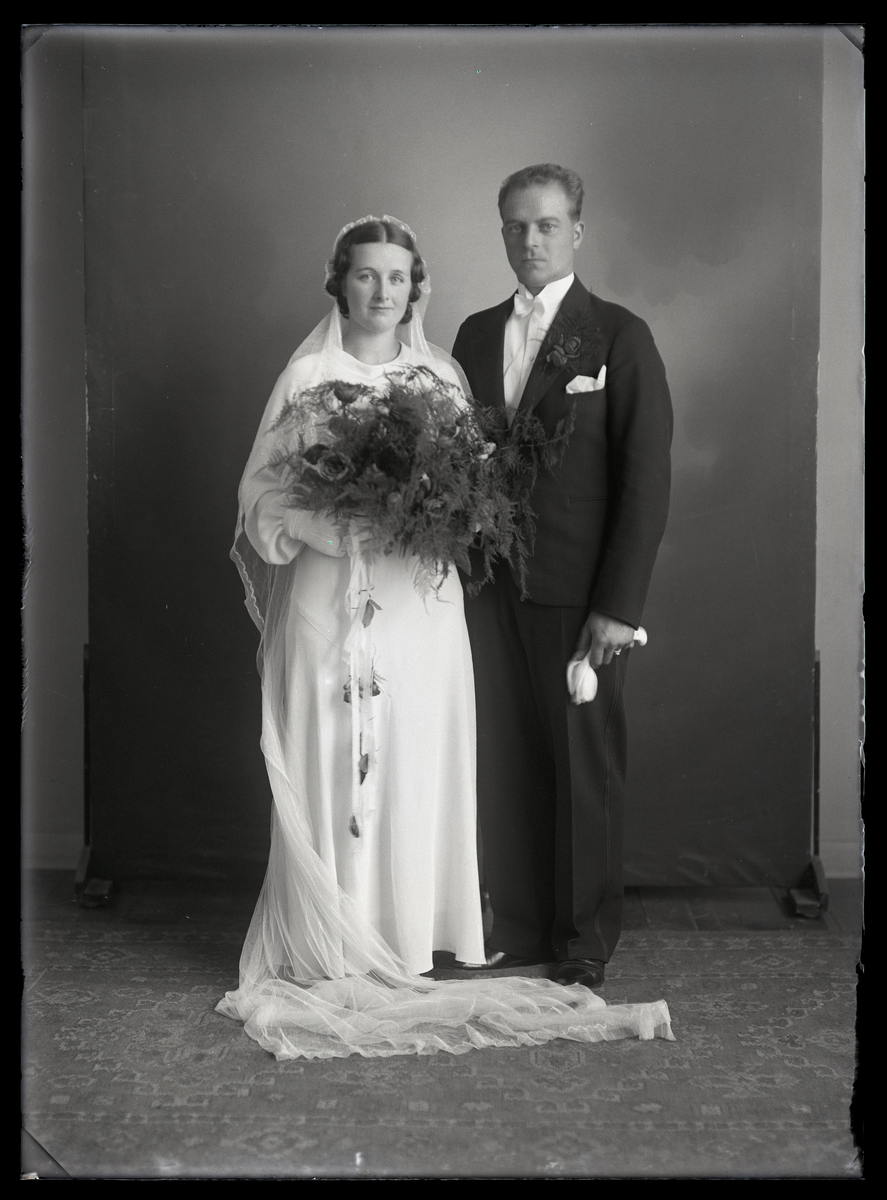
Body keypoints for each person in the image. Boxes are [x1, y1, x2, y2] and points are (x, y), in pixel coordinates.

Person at [216, 214, 673, 1060]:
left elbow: (477, 497)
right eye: (365, 275)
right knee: (332, 751)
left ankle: (410, 935)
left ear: (414, 286)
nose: (382, 291)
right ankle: (331, 939)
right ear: (340, 283)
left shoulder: (440, 375)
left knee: (415, 756)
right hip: (328, 598)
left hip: (418, 611)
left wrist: (429, 515)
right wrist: (331, 526)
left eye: (397, 277)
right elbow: (261, 499)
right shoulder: (307, 376)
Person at [453, 165, 673, 991]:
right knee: (504, 761)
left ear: (576, 231)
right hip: (488, 590)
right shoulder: (475, 334)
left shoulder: (617, 335)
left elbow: (645, 482)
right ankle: (514, 926)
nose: (529, 240)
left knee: (583, 772)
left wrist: (617, 607)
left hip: (580, 596)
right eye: (515, 226)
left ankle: (582, 940)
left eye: (546, 225)